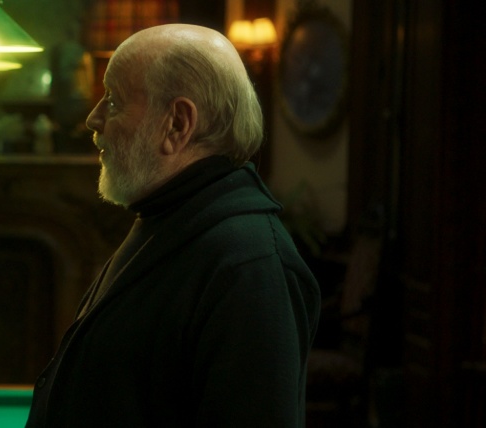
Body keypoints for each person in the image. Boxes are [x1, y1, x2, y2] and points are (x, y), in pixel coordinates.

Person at [25, 24, 321, 427]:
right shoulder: (169, 217)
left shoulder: (250, 263)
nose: (93, 119)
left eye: (112, 100)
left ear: (177, 123)